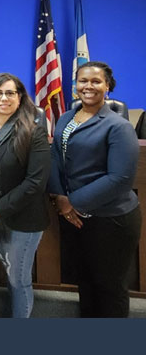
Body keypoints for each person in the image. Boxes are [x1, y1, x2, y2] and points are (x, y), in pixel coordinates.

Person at [48, 61, 141, 318]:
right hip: (75, 218)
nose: (88, 86)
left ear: (108, 86)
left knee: (109, 286)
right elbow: (55, 158)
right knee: (85, 282)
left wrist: (71, 203)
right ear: (75, 85)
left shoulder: (118, 126)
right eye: (83, 81)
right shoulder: (67, 117)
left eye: (96, 81)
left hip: (111, 219)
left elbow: (119, 178)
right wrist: (60, 197)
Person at [0, 73, 50, 318]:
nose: (4, 98)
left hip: (22, 220)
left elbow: (36, 182)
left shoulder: (32, 130)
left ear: (20, 97)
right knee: (9, 274)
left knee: (18, 279)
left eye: (10, 93)